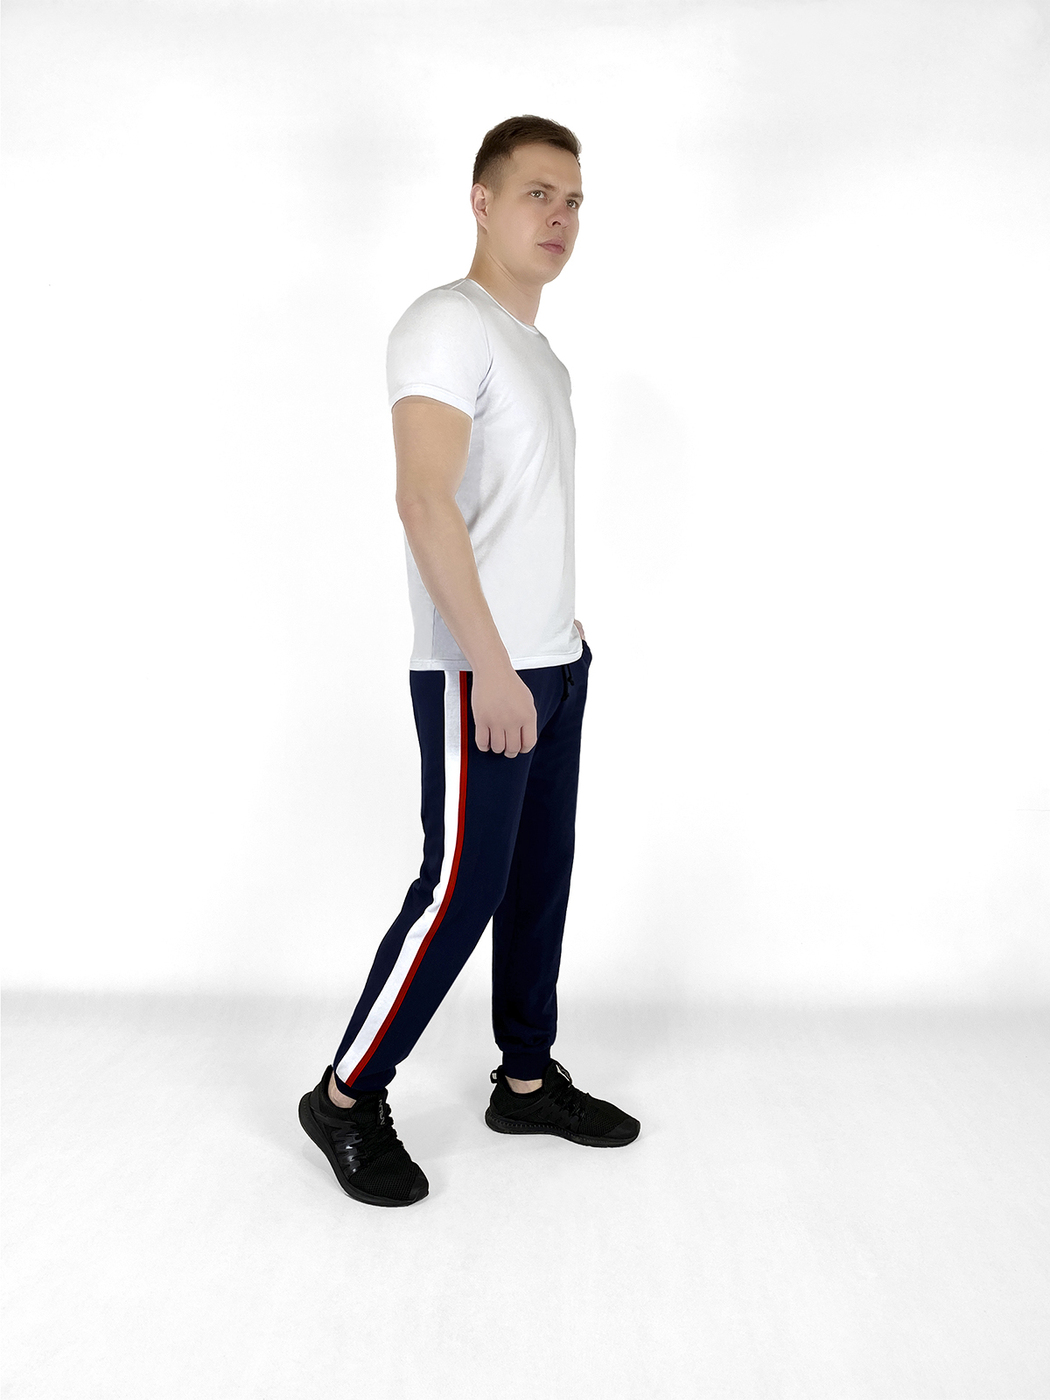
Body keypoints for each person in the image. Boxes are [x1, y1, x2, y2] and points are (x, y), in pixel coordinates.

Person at [298, 114, 640, 1207]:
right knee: (459, 892)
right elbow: (422, 498)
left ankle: (525, 1080)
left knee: (538, 881)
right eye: (539, 193)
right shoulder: (448, 323)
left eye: (574, 200)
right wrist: (491, 666)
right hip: (478, 671)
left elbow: (516, 513)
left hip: (555, 662)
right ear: (483, 202)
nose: (561, 216)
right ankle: (346, 1096)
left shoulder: (539, 352)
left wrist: (558, 645)